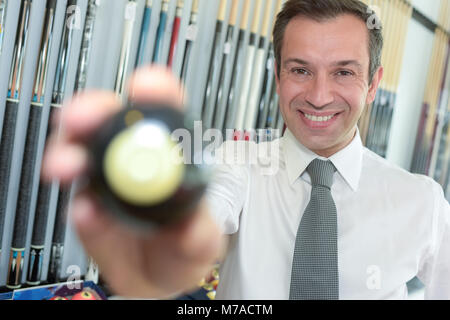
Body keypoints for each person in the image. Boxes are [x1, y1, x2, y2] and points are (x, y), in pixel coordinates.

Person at [42, 0, 450, 300]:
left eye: (343, 72)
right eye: (300, 70)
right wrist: (162, 229)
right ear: (277, 75)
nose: (320, 96)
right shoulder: (237, 165)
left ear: (373, 83)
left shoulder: (422, 202)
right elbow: (206, 209)